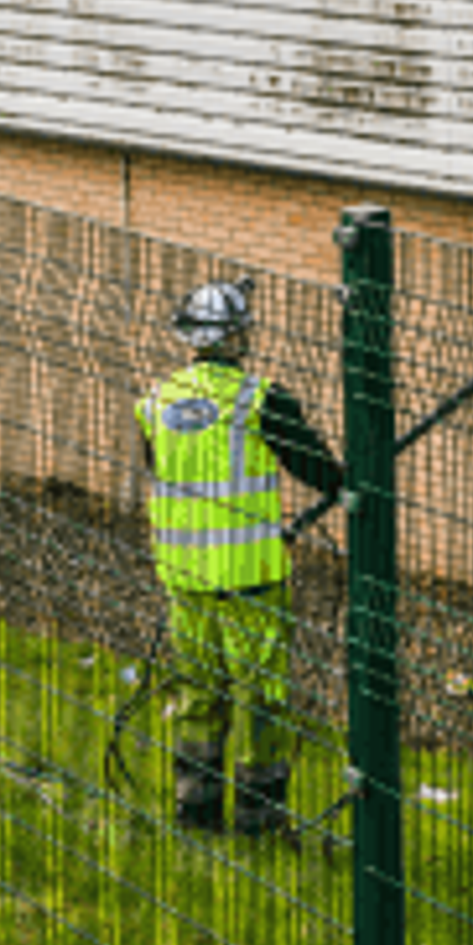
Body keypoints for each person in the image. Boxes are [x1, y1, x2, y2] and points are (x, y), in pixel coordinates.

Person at [137, 277, 342, 839]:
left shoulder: (155, 402)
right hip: (251, 577)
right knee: (262, 699)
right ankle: (260, 819)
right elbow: (318, 469)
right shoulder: (260, 399)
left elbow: (165, 473)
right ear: (238, 337)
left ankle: (196, 814)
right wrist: (348, 482)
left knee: (198, 693)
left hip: (185, 578)